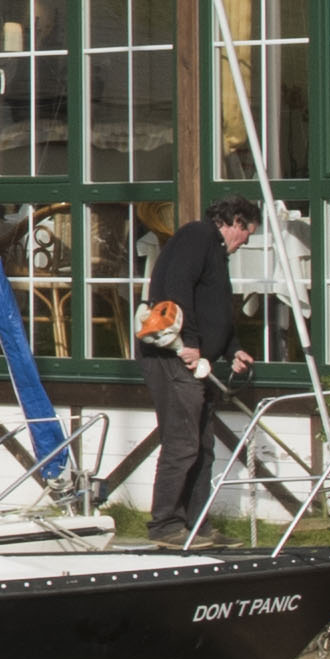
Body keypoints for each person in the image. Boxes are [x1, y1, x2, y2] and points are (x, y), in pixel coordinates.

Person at [137, 190, 253, 528]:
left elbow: (215, 309)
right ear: (236, 222)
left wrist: (233, 350)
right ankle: (166, 524)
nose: (246, 242)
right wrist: (188, 341)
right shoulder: (198, 235)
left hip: (196, 362)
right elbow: (176, 286)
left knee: (203, 446)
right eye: (247, 233)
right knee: (183, 442)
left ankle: (195, 524)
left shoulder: (216, 252)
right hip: (173, 357)